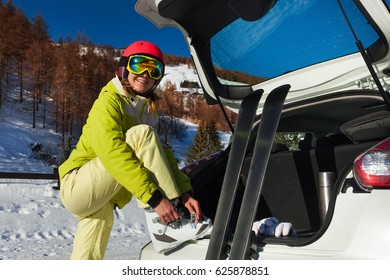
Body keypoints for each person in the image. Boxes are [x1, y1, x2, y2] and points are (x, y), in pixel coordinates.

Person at [58, 41, 212, 259]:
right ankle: (164, 226)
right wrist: (155, 199)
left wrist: (184, 193)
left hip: (103, 195)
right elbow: (111, 151)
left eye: (154, 69)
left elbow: (162, 155)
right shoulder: (108, 101)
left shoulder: (146, 110)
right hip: (77, 184)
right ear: (124, 68)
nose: (146, 73)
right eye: (139, 65)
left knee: (88, 255)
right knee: (142, 134)